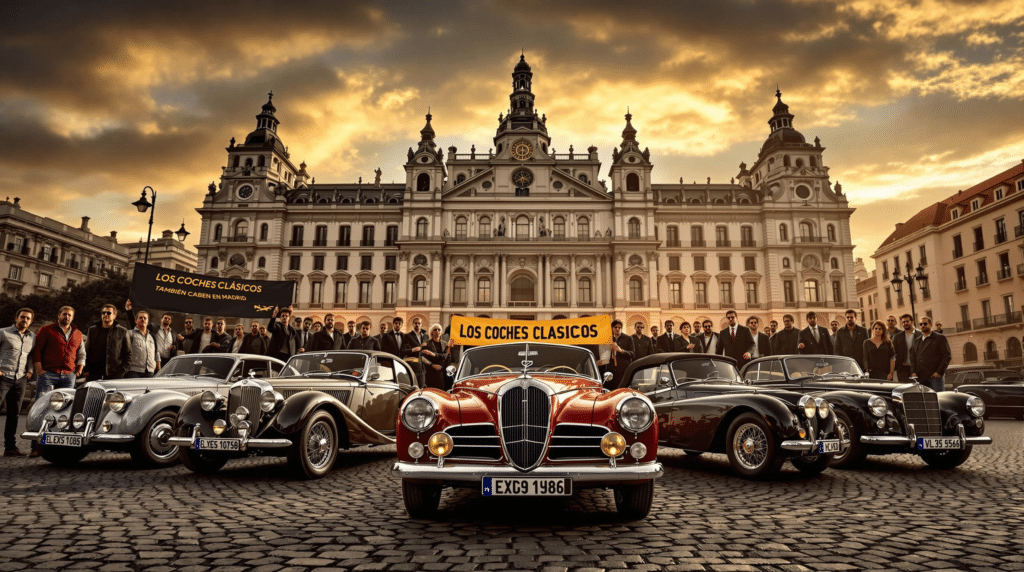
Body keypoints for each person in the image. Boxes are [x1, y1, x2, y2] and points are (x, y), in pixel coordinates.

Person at [32, 306, 85, 456]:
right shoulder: (46, 330)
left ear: (72, 318)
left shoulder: (78, 333)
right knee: (42, 408)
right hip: (48, 374)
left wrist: (79, 369)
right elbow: (37, 351)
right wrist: (40, 371)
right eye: (64, 314)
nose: (66, 317)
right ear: (59, 315)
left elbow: (81, 353)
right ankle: (36, 448)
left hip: (68, 376)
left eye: (69, 315)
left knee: (67, 411)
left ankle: (61, 447)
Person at [1, 308, 35, 456]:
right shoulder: (3, 333)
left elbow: (31, 356)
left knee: (14, 414)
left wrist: (30, 371)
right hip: (2, 377)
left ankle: (10, 447)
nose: (25, 320)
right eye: (22, 317)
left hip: (20, 380)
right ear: (16, 318)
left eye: (28, 318)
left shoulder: (32, 337)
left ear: (31, 321)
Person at [84, 304, 130, 381]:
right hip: (94, 373)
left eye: (109, 313)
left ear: (114, 316)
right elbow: (86, 351)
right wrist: (86, 369)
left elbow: (128, 353)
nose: (105, 315)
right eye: (103, 313)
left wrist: (123, 371)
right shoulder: (92, 330)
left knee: (112, 393)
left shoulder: (123, 331)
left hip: (115, 373)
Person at [125, 301, 175, 367]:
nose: (167, 319)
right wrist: (129, 310)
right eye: (165, 318)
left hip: (168, 361)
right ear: (161, 319)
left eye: (169, 319)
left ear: (171, 321)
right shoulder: (153, 327)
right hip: (154, 360)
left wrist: (174, 347)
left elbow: (175, 345)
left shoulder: (174, 333)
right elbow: (137, 324)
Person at [910, 316, 951, 391]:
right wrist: (913, 372)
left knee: (938, 398)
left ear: (931, 324)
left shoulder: (940, 338)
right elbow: (912, 358)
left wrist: (939, 372)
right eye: (921, 324)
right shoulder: (916, 341)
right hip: (920, 378)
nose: (922, 326)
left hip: (935, 377)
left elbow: (947, 356)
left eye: (925, 324)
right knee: (924, 400)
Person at [125, 311, 159, 378]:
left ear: (148, 321)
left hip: (150, 372)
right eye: (140, 318)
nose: (143, 319)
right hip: (133, 372)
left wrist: (159, 370)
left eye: (145, 318)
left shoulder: (152, 336)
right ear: (136, 320)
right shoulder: (129, 334)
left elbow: (156, 353)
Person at [891, 314, 921, 384]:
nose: (905, 323)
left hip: (918, 369)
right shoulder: (897, 337)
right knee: (904, 391)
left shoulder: (920, 334)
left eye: (907, 321)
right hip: (903, 370)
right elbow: (893, 353)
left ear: (912, 322)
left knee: (917, 390)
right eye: (903, 322)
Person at [423, 324, 451, 390]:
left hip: (442, 373)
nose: (437, 331)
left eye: (439, 330)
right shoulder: (427, 343)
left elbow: (446, 356)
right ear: (431, 332)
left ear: (441, 332)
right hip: (430, 372)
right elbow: (423, 357)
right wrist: (432, 365)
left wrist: (433, 354)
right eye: (435, 329)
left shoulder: (445, 344)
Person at [402, 317, 428, 388]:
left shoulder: (426, 336)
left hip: (424, 368)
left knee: (422, 388)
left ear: (421, 324)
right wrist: (413, 349)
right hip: (413, 367)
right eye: (415, 323)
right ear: (412, 324)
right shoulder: (407, 336)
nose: (417, 325)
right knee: (413, 388)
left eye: (419, 323)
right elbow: (403, 351)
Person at [608, 319, 634, 388]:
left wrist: (621, 351)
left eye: (619, 327)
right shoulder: (608, 339)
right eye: (615, 327)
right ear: (612, 328)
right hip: (611, 370)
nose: (617, 329)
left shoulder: (628, 338)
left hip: (623, 370)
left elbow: (632, 354)